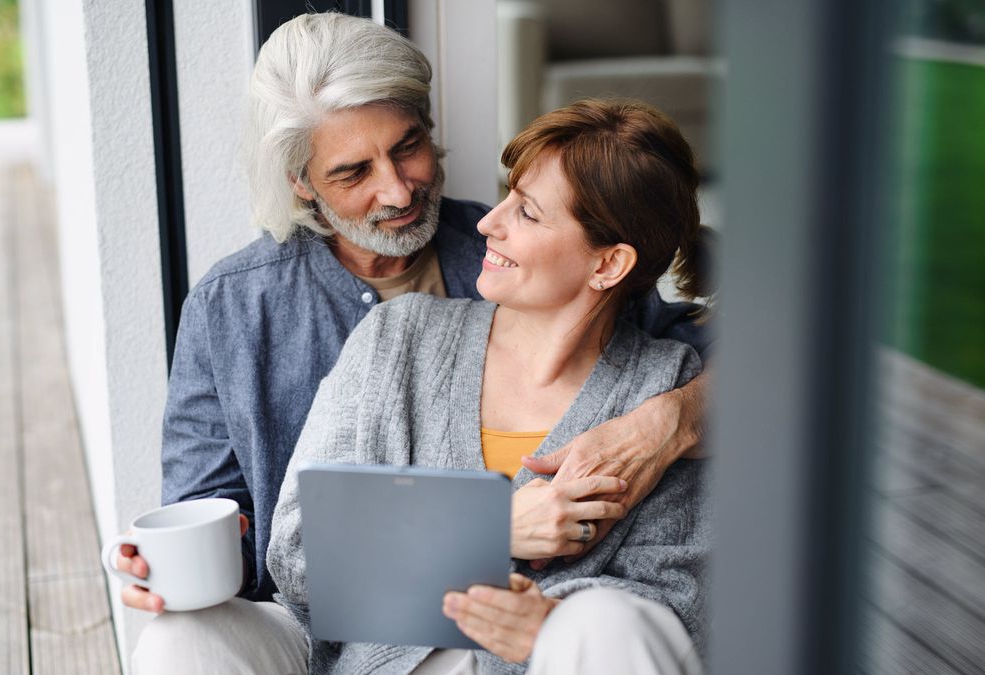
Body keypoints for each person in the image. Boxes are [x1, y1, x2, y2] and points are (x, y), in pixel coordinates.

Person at [123, 12, 710, 673]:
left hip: (543, 650)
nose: (398, 189)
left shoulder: (613, 334)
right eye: (353, 171)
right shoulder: (255, 308)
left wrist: (677, 416)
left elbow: (739, 378)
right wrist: (487, 532)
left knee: (602, 626)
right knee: (180, 637)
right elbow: (266, 541)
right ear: (302, 181)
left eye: (408, 147)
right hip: (342, 633)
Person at [269, 98, 712, 674]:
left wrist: (547, 625)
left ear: (608, 265)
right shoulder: (395, 338)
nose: (486, 223)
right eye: (507, 196)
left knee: (605, 623)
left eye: (526, 213)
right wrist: (492, 528)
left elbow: (679, 605)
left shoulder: (663, 388)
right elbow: (298, 555)